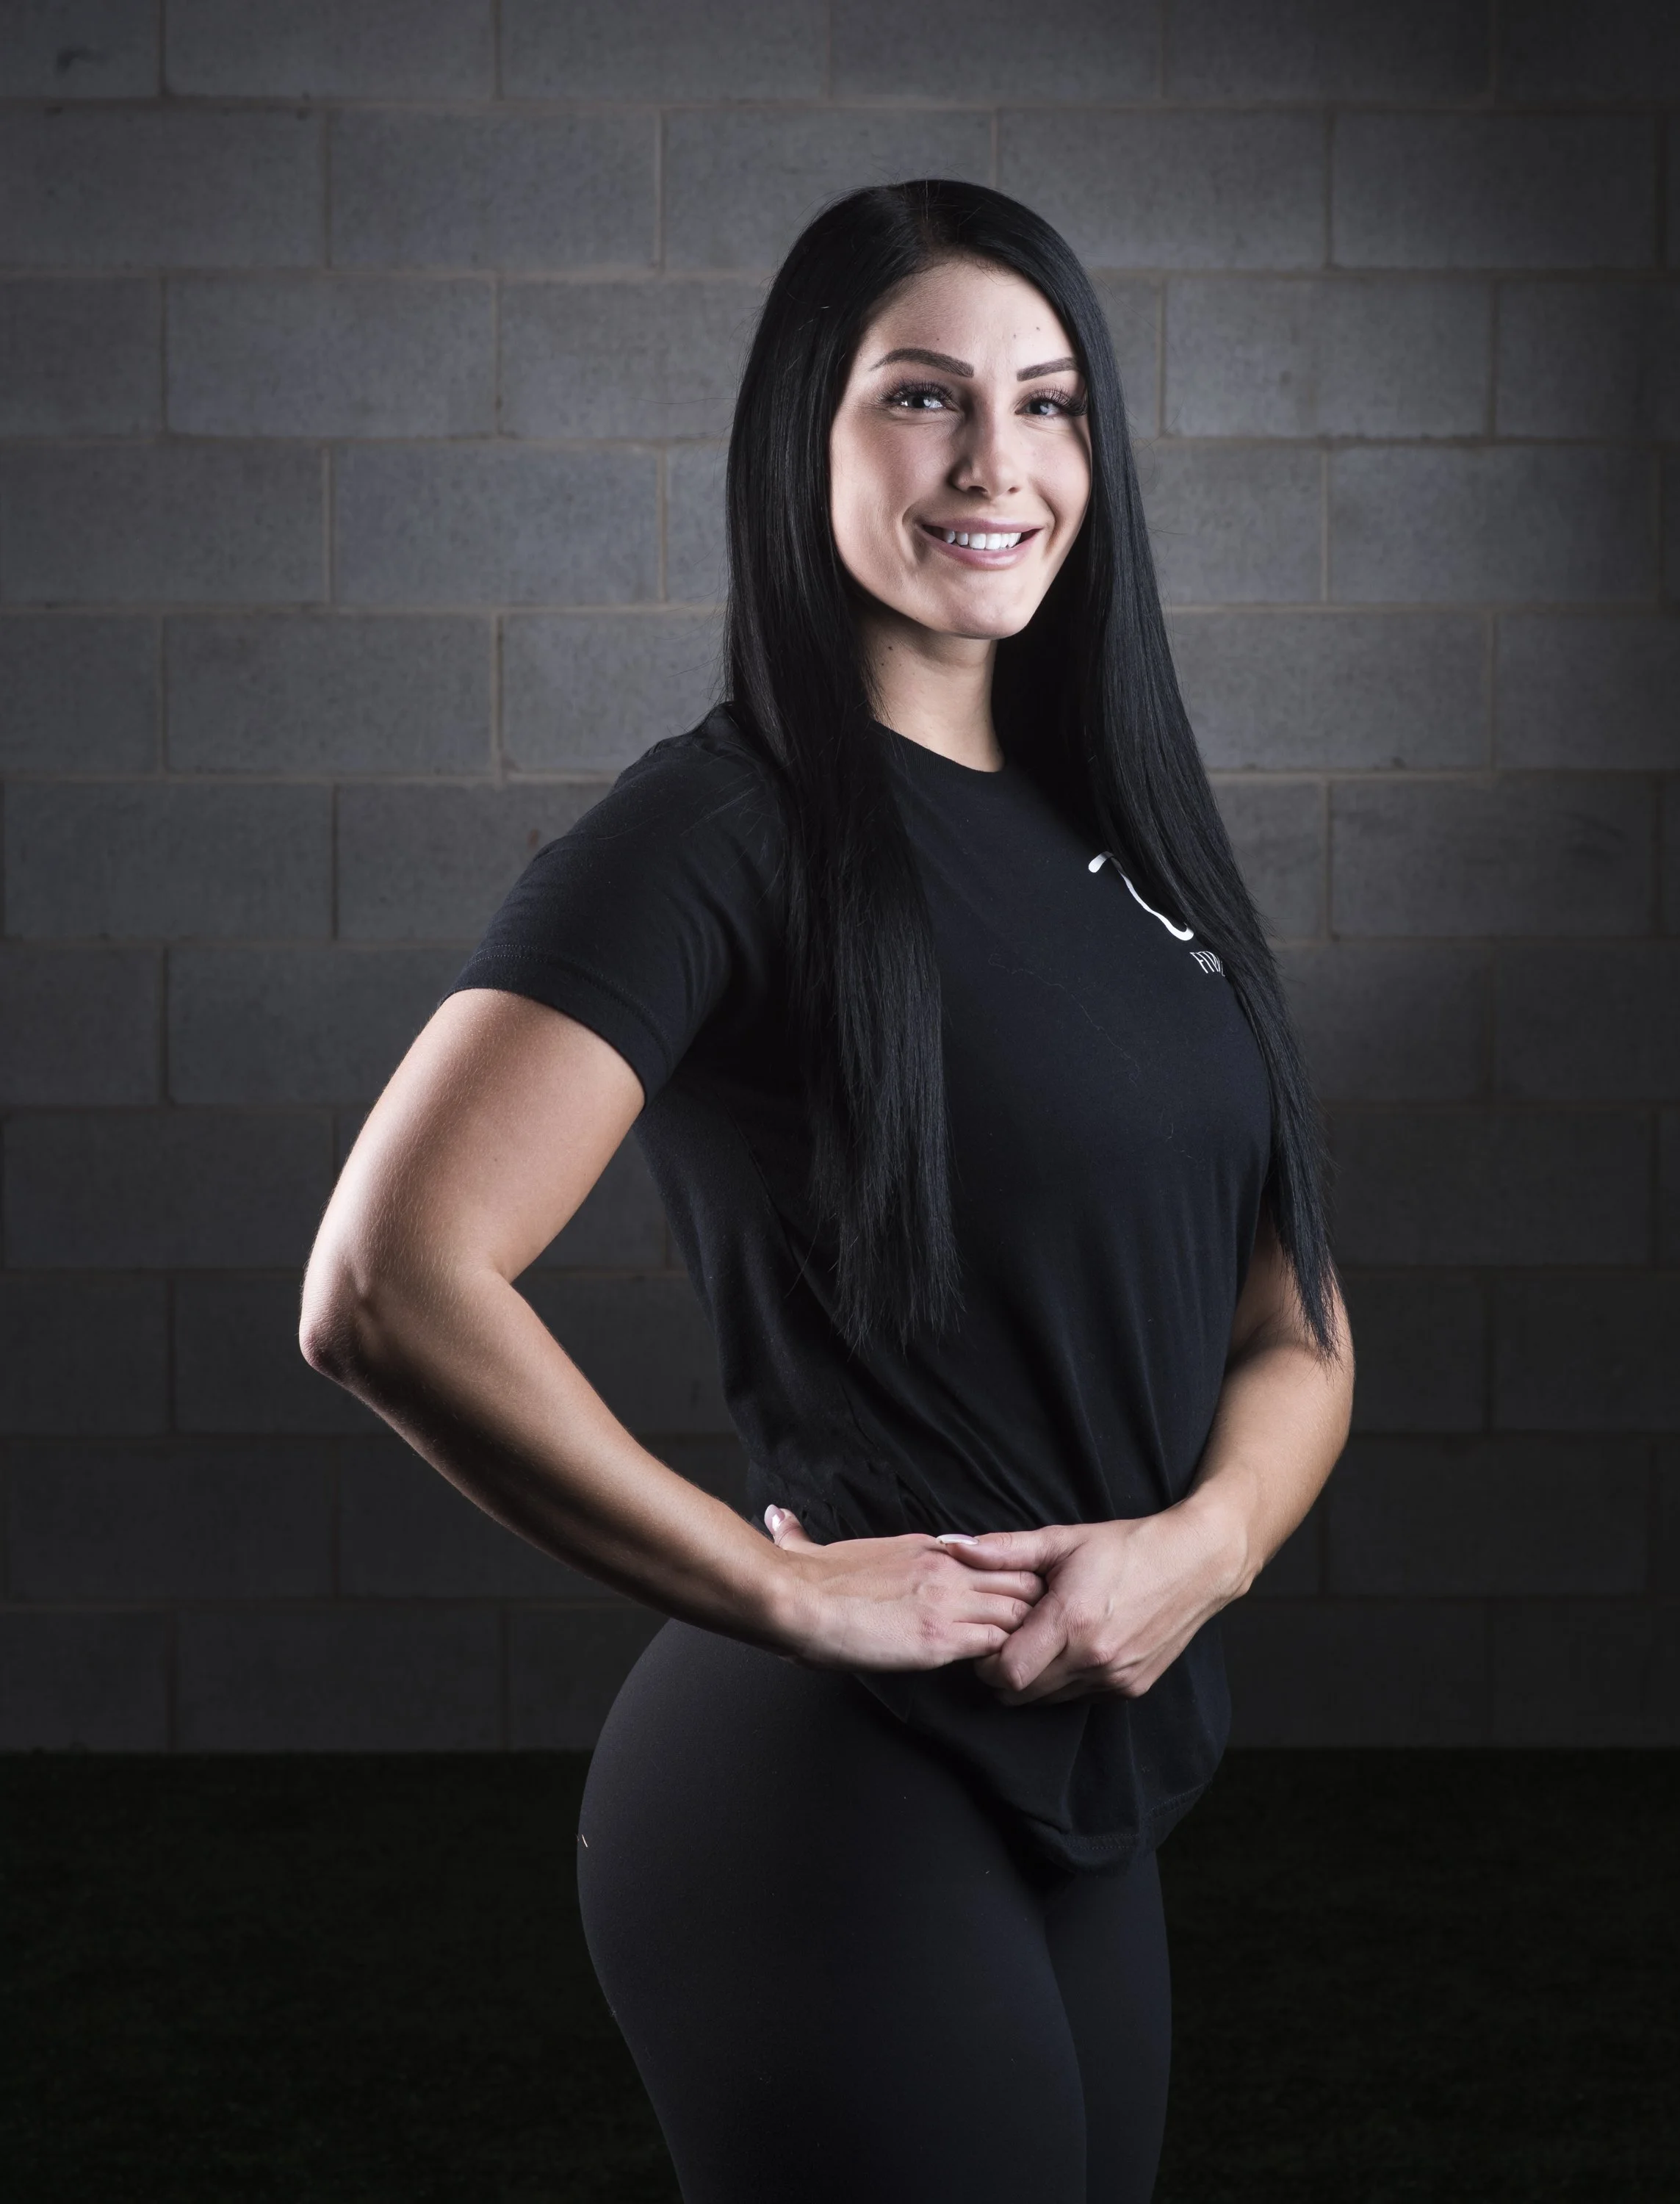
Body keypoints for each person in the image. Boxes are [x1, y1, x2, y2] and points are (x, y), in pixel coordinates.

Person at [300, 179, 1353, 2204]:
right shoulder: (721, 828)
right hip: (823, 1792)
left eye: (1049, 405)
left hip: (1088, 1780)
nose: (999, 465)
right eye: (920, 399)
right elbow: (387, 1280)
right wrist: (775, 1582)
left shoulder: (1127, 841)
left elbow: (1293, 1318)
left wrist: (1201, 1549)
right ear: (804, 436)